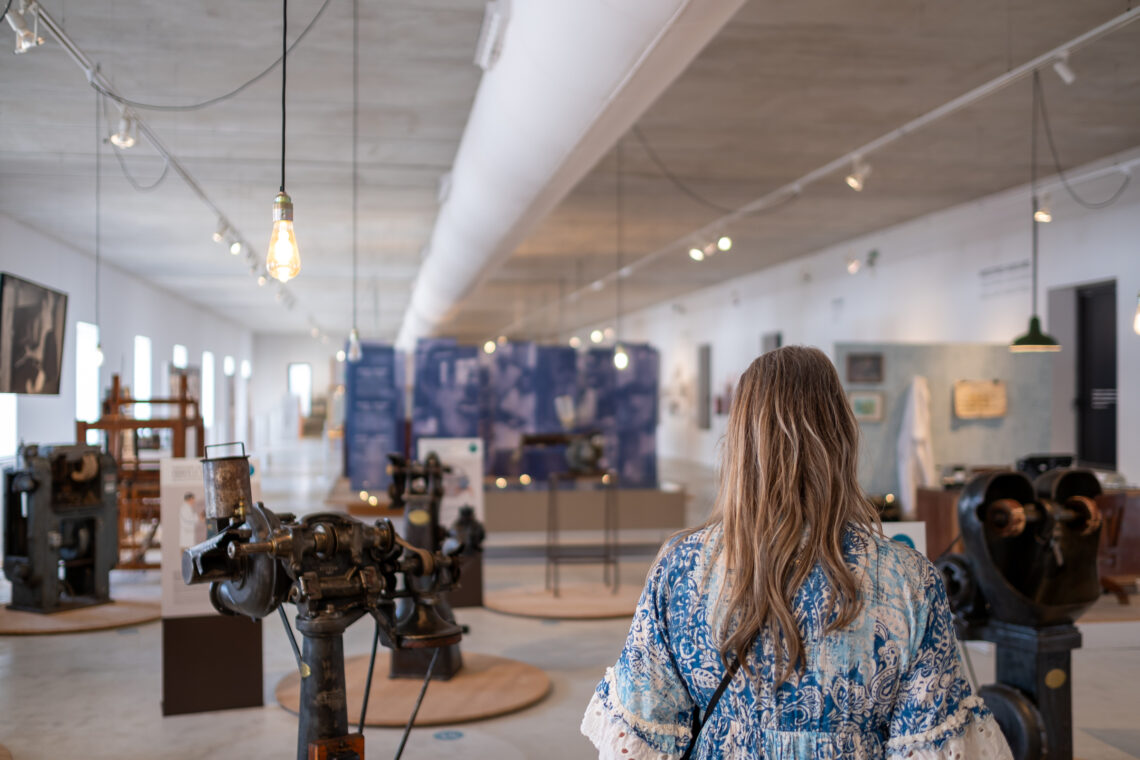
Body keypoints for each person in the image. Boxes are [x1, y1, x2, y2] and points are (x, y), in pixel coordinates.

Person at [581, 346, 1011, 759]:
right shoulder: (909, 578)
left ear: (740, 442)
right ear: (842, 435)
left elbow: (642, 733)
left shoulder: (682, 568)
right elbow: (928, 744)